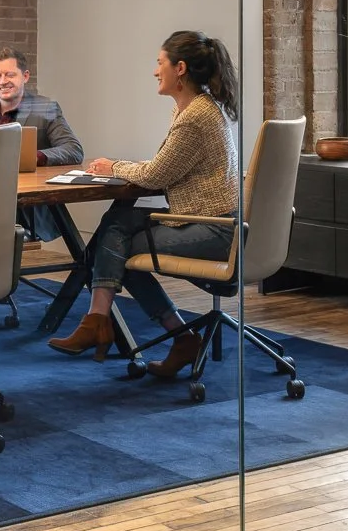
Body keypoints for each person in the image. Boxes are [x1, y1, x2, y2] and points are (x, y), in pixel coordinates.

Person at [46, 30, 241, 378]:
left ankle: (111, 324)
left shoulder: (195, 117)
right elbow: (163, 168)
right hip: (206, 219)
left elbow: (154, 176)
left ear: (179, 69)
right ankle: (104, 322)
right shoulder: (192, 109)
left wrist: (112, 166)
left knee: (116, 248)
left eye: (159, 62)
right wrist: (122, 166)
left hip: (215, 228)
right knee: (119, 219)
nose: (155, 70)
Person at [0, 45, 84, 246]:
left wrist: (34, 157)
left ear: (25, 76)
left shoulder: (46, 108)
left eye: (9, 75)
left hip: (28, 210)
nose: (2, 82)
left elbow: (73, 149)